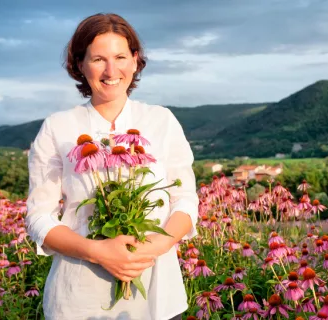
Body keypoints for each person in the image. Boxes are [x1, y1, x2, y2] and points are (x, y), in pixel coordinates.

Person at [25, 13, 199, 320]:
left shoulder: (161, 121)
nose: (111, 70)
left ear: (134, 60)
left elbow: (184, 200)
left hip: (159, 294)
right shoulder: (59, 127)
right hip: (79, 298)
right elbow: (39, 216)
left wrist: (156, 245)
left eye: (120, 56)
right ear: (79, 64)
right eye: (98, 59)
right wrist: (98, 251)